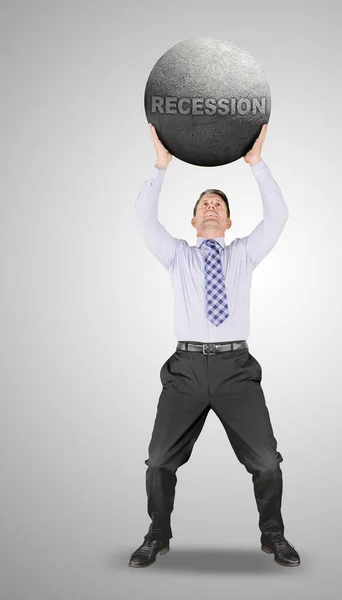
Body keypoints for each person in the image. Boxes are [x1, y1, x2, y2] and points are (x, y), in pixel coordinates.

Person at [129, 122, 300, 569]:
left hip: (235, 369)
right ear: (193, 219)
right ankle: (157, 535)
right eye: (204, 203)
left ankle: (274, 535)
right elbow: (144, 219)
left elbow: (278, 216)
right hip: (186, 369)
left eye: (218, 204)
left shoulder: (243, 253)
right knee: (158, 460)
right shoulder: (178, 257)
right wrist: (160, 167)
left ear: (227, 221)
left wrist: (256, 166)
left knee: (266, 461)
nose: (210, 207)